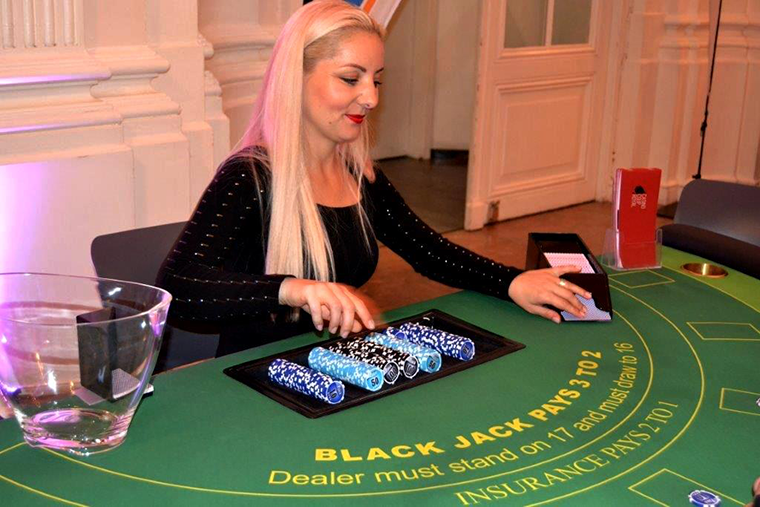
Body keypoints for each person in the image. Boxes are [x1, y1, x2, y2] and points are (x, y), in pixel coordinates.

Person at [156, 0, 590, 356]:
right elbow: (177, 287)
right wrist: (294, 290)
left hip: (339, 363)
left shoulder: (358, 174)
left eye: (376, 80)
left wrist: (511, 281)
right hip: (255, 380)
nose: (370, 97)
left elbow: (428, 251)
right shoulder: (248, 176)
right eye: (351, 78)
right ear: (296, 78)